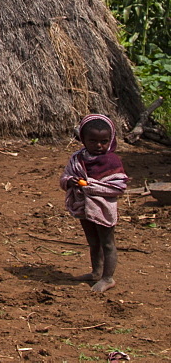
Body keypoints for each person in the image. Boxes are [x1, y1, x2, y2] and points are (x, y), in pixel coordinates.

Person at [60, 114, 129, 292]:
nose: (99, 146)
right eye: (93, 141)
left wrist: (90, 186)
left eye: (104, 141)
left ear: (110, 140)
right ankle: (96, 272)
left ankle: (108, 277)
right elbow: (65, 176)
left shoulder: (111, 161)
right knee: (93, 241)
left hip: (103, 209)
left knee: (107, 242)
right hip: (83, 207)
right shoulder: (77, 159)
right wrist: (70, 182)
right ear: (83, 139)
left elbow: (117, 187)